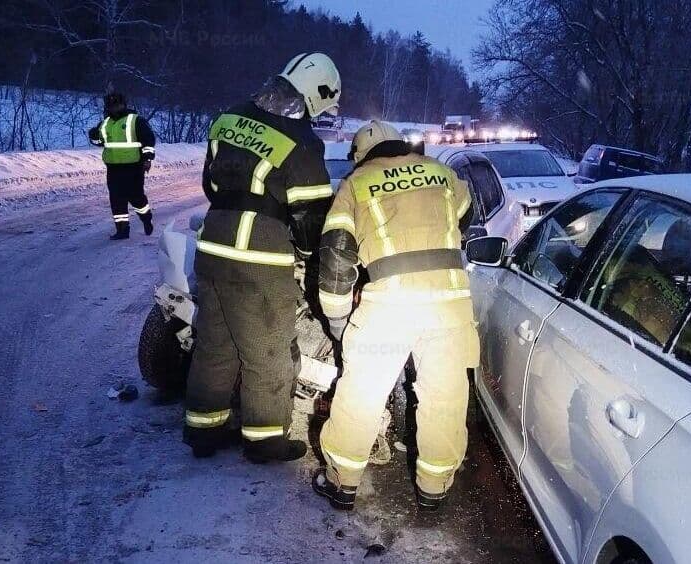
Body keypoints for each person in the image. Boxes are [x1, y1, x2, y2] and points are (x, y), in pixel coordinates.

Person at [312, 121, 480, 511]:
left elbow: (336, 256)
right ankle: (434, 488)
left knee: (362, 394)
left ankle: (342, 483)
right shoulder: (439, 170)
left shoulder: (355, 184)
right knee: (444, 397)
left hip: (388, 306)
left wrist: (337, 320)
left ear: (359, 156)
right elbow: (465, 216)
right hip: (448, 305)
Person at [183, 53, 340, 464]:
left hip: (212, 246)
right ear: (316, 93)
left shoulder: (229, 117)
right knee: (267, 350)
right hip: (259, 257)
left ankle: (203, 430)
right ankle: (263, 440)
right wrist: (307, 258)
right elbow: (310, 217)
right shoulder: (302, 142)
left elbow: (211, 184)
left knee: (215, 342)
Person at [88, 92, 156, 240]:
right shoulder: (106, 123)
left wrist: (147, 158)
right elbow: (100, 142)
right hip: (113, 168)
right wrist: (93, 136)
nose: (113, 107)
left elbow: (148, 140)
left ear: (123, 104)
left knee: (136, 197)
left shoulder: (135, 120)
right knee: (116, 199)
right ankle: (122, 230)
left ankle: (146, 218)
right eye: (111, 105)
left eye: (116, 104)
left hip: (134, 167)